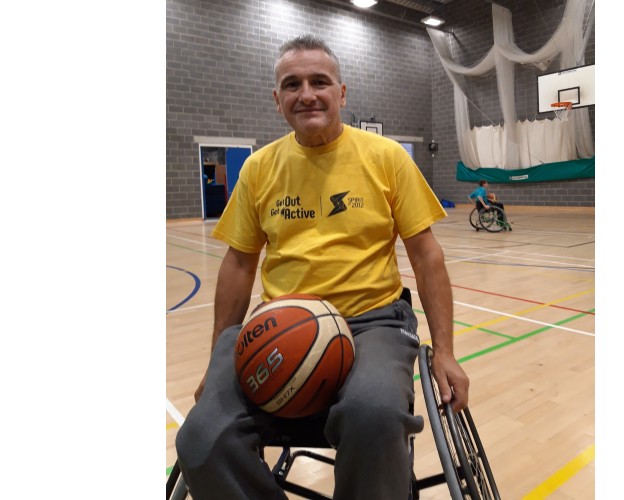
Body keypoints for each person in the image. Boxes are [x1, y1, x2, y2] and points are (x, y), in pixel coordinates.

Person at [175, 34, 470, 500]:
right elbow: (237, 264)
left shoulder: (387, 158)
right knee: (201, 438)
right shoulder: (258, 168)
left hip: (373, 322)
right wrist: (217, 361)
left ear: (342, 93)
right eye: (292, 85)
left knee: (374, 416)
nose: (306, 93)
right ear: (277, 100)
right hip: (281, 323)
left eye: (320, 81)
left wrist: (447, 352)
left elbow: (426, 256)